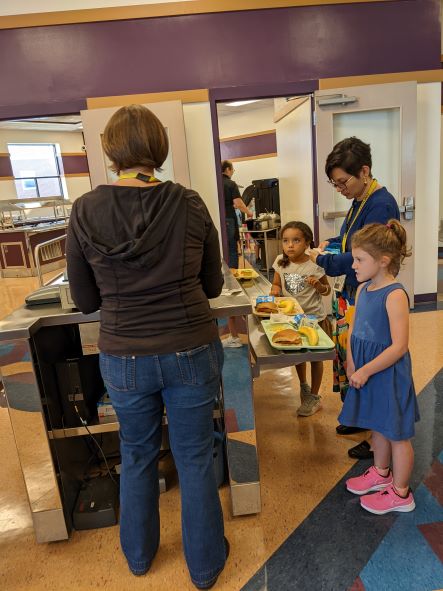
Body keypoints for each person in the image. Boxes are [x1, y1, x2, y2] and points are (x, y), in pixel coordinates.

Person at [66, 104, 228, 589]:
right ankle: (204, 568)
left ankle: (138, 557)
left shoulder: (84, 210)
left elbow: (85, 299)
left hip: (124, 354)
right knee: (194, 455)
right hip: (190, 348)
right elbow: (214, 285)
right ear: (160, 148)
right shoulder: (191, 203)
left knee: (136, 454)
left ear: (111, 151)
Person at [309, 137, 400, 459]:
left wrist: (326, 260)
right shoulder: (361, 200)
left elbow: (368, 254)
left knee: (366, 362)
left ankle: (374, 433)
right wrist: (329, 243)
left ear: (364, 171)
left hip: (368, 295)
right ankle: (358, 417)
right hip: (353, 292)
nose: (340, 189)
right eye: (335, 184)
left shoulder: (380, 203)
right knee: (350, 356)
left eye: (343, 182)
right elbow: (351, 240)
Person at [342, 220, 418, 514]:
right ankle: (380, 472)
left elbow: (399, 346)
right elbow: (354, 329)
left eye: (360, 259)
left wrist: (366, 370)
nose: (354, 266)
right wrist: (351, 360)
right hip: (365, 369)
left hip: (386, 374)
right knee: (377, 425)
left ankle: (401, 493)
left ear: (383, 261)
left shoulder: (395, 295)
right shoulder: (363, 290)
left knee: (396, 432)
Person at [271, 222, 332, 417]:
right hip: (292, 318)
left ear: (307, 242)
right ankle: (304, 385)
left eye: (296, 240)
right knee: (299, 354)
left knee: (315, 357)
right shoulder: (281, 261)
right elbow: (276, 283)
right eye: (286, 241)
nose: (290, 246)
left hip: (314, 320)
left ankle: (314, 396)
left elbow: (327, 290)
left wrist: (318, 286)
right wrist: (275, 291)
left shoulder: (315, 264)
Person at [222, 160, 253, 348]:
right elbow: (238, 202)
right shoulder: (230, 183)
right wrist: (248, 212)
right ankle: (233, 290)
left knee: (226, 257)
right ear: (228, 170)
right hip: (228, 222)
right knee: (232, 257)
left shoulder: (216, 183)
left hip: (221, 221)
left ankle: (228, 287)